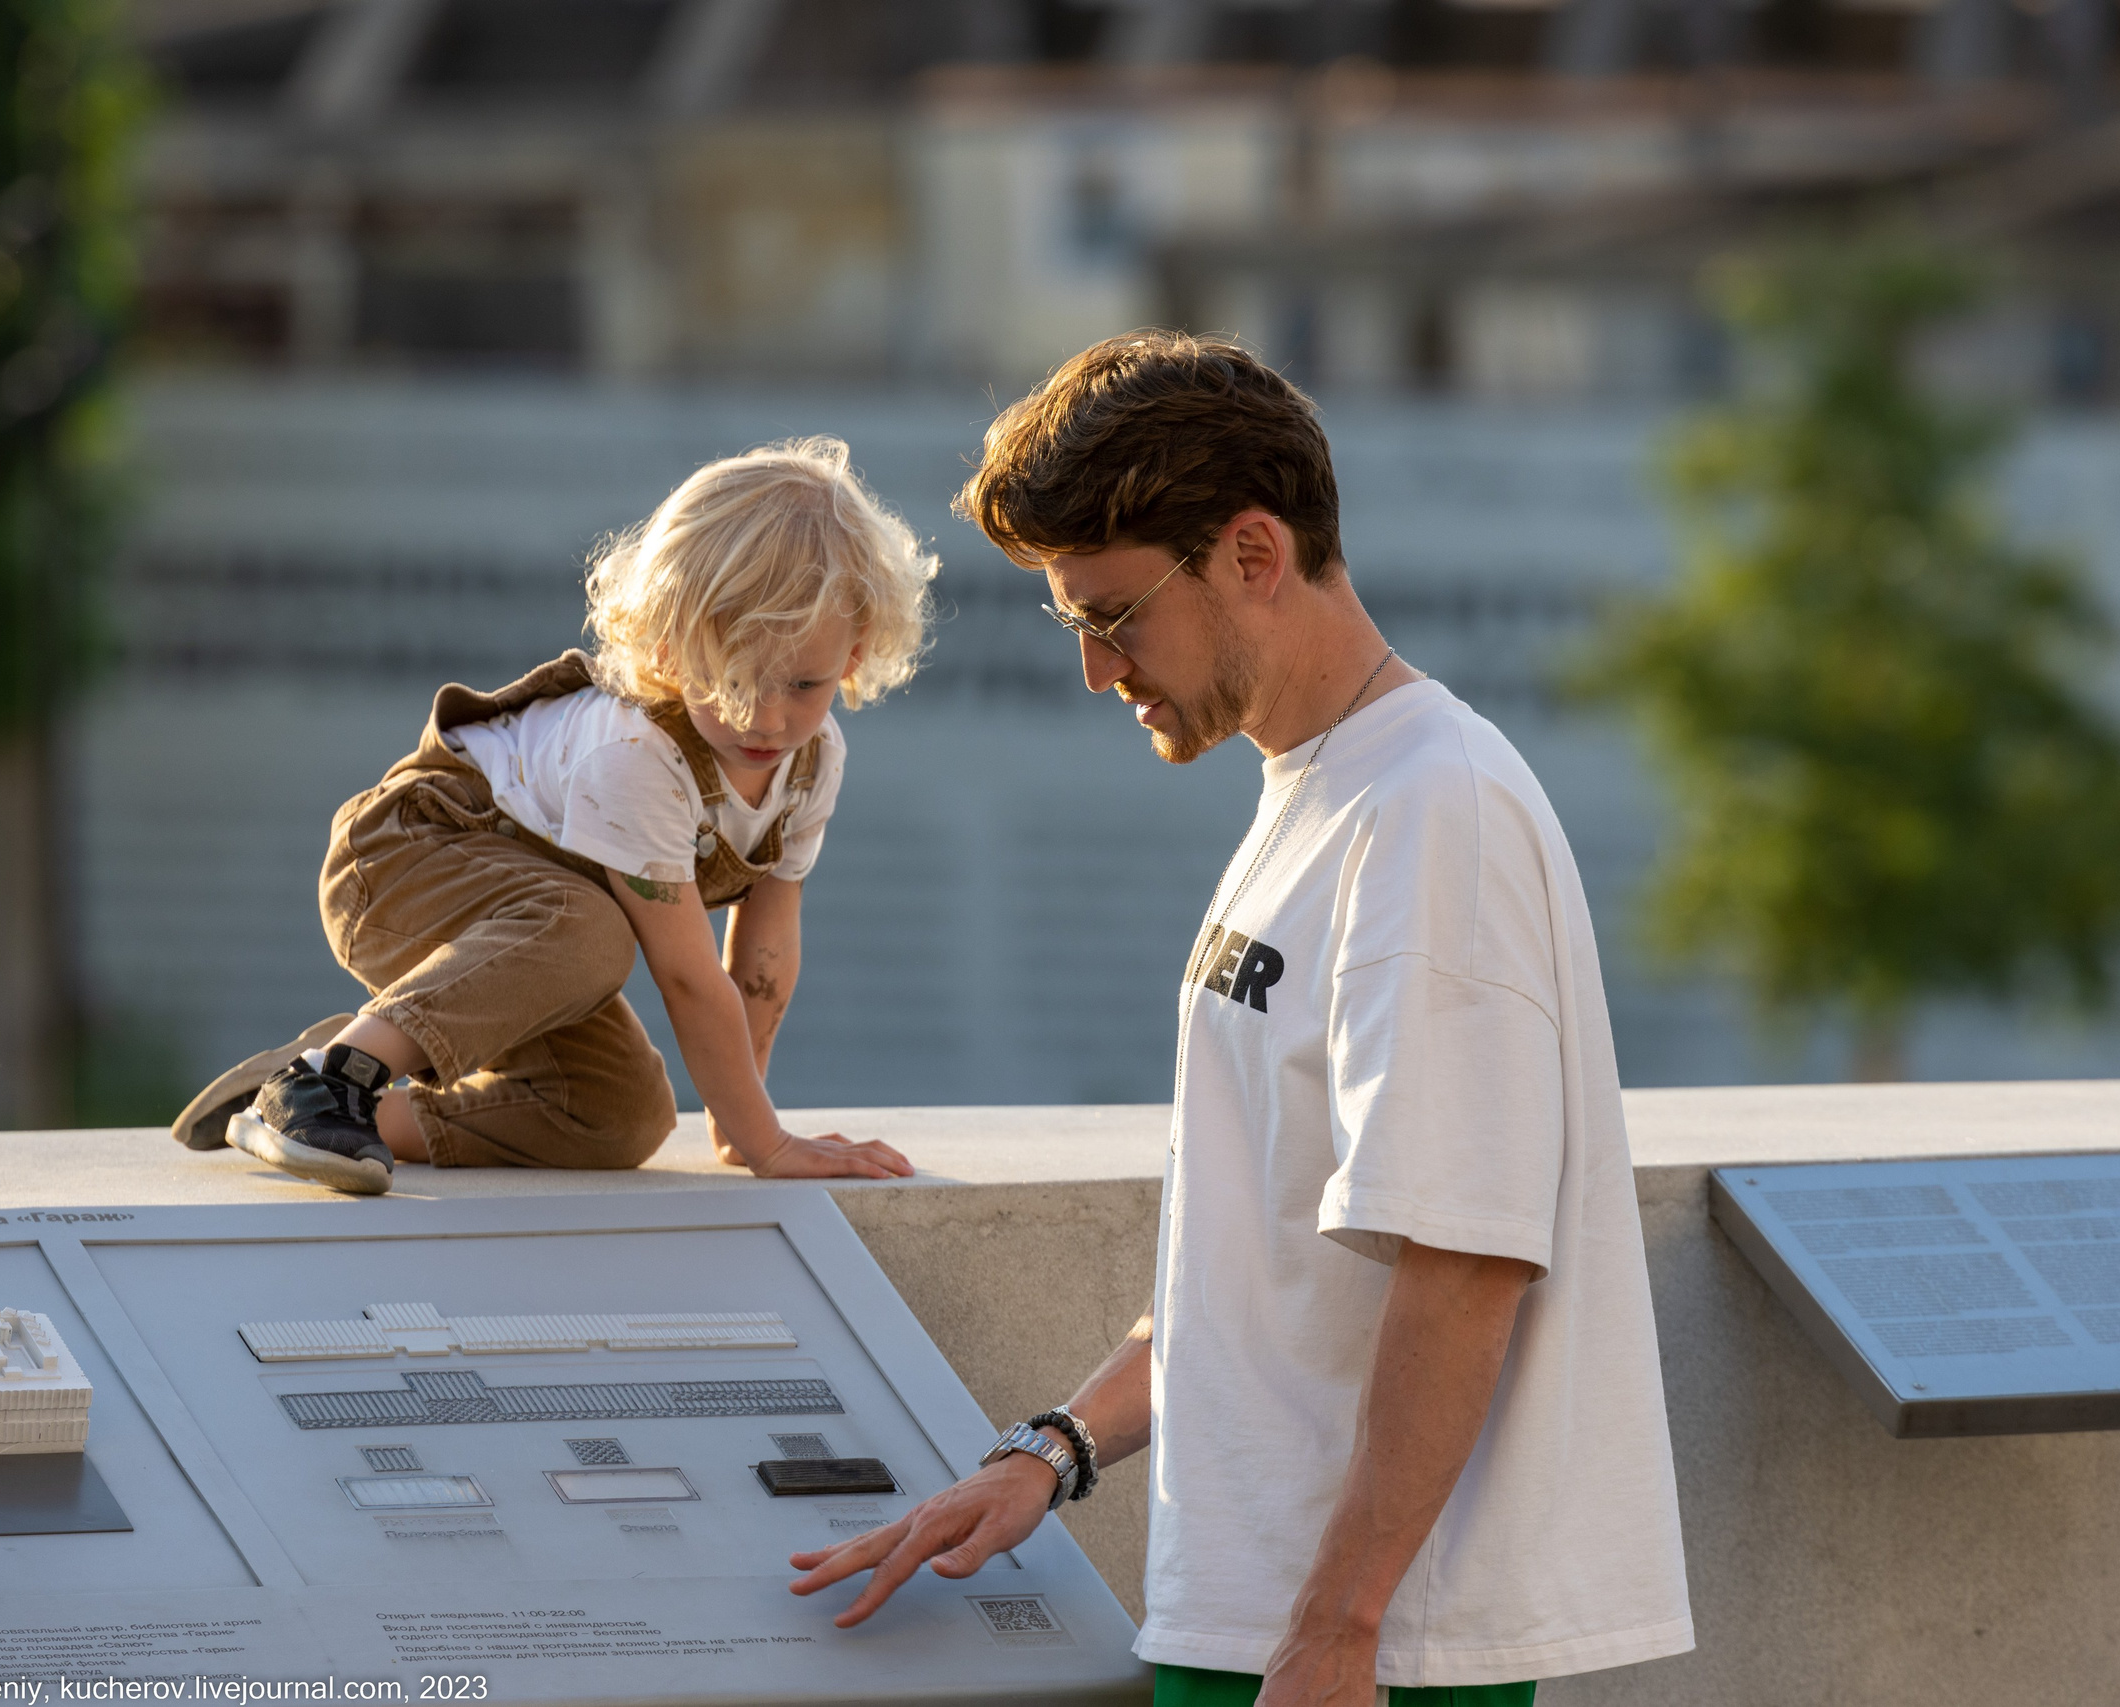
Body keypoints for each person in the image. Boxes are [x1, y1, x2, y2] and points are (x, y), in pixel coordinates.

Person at [785, 336, 1692, 1706]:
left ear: (1255, 555)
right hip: (1267, 1621)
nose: (1097, 669)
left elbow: (1463, 1259)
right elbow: (1264, 1257)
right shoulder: (1320, 790)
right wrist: (1051, 1449)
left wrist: (1338, 1626)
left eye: (1116, 614)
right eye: (1072, 623)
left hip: (1361, 1652)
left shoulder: (1431, 810)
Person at [168, 438, 926, 1195]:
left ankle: (318, 1096)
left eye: (802, 682)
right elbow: (690, 978)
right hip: (404, 864)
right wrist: (770, 1144)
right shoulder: (635, 753)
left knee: (615, 1117)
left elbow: (764, 946)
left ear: (854, 654)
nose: (764, 718)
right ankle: (331, 1083)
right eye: (729, 678)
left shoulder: (811, 761)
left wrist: (740, 1122)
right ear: (669, 645)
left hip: (531, 931)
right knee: (591, 931)